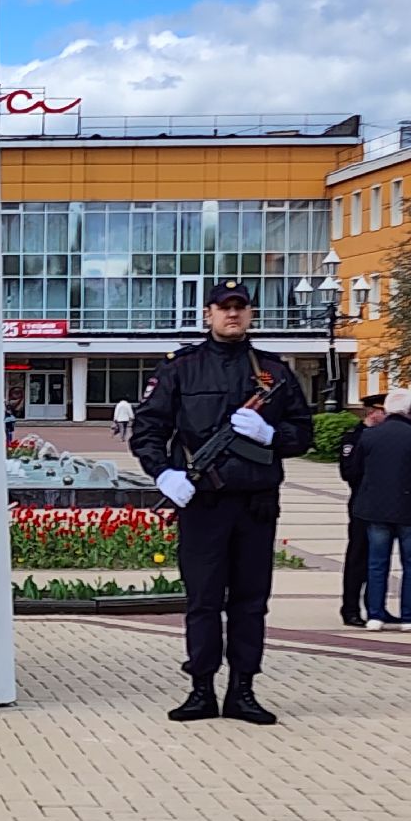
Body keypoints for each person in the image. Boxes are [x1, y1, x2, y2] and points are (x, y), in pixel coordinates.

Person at [130, 281, 313, 726]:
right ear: (208, 314)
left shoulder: (273, 372)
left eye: (240, 307)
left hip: (255, 504)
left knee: (250, 601)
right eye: (224, 307)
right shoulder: (181, 368)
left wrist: (271, 435)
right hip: (203, 504)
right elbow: (148, 429)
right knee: (203, 600)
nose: (232, 314)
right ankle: (201, 689)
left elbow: (302, 432)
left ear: (251, 314)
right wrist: (164, 473)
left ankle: (243, 690)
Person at [349, 390, 411, 633]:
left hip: (375, 509)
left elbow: (354, 470)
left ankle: (375, 616)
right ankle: (409, 617)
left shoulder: (370, 435)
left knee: (376, 563)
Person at [337, 394, 389, 627]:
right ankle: (350, 609)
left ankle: (376, 607)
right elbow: (348, 472)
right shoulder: (354, 437)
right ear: (373, 412)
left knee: (379, 558)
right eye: (384, 412)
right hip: (362, 502)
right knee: (358, 557)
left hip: (383, 504)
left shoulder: (384, 437)